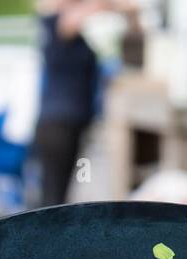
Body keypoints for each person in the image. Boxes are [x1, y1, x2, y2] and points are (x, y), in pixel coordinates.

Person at [32, 0, 118, 207]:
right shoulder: (56, 22)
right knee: (52, 200)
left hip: (69, 123)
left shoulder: (74, 28)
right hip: (58, 125)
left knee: (57, 197)